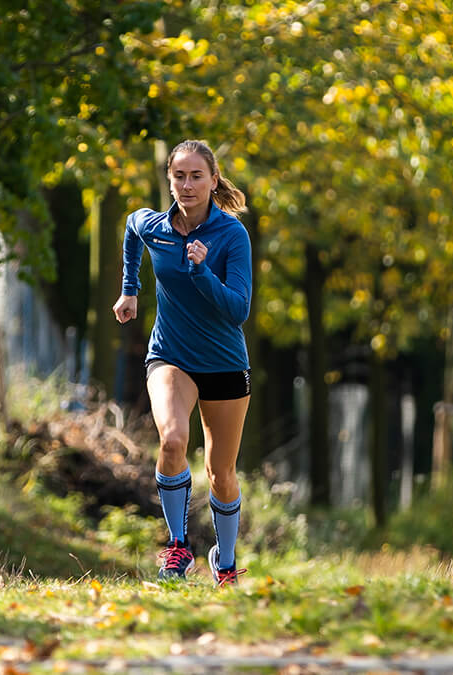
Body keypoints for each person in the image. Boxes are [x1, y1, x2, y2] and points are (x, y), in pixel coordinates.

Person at [112, 140, 252, 587]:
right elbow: (132, 229)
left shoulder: (231, 235)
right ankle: (178, 547)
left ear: (214, 181)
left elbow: (238, 310)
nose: (187, 185)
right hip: (170, 356)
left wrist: (202, 273)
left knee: (221, 474)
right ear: (168, 180)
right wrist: (130, 289)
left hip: (225, 363)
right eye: (179, 176)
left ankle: (224, 562)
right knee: (172, 440)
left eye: (196, 176)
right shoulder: (154, 225)